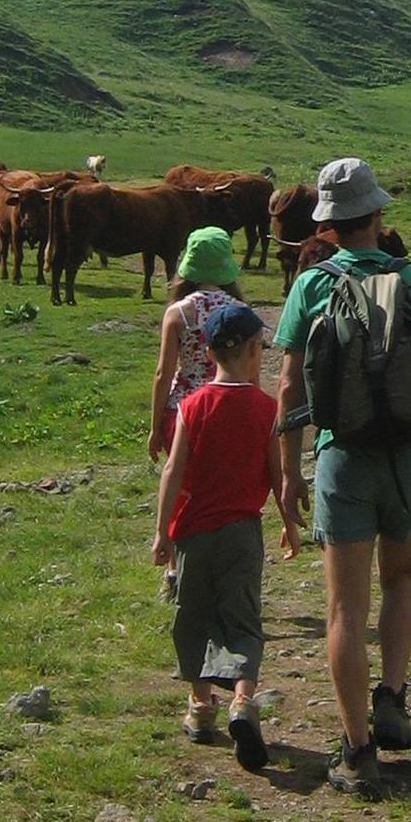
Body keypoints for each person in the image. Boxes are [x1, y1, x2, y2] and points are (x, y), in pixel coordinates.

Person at [273, 157, 411, 795]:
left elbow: (287, 386)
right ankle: (393, 695)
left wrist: (289, 474)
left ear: (328, 225)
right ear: (378, 214)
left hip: (344, 454)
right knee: (403, 576)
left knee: (343, 608)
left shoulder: (310, 285)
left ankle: (356, 749)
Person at [151, 302, 300, 773]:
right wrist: (289, 522)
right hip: (242, 531)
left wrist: (161, 533)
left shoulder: (193, 406)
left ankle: (200, 707)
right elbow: (277, 474)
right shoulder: (265, 409)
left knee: (193, 615)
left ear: (210, 352)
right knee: (242, 617)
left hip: (193, 533)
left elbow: (173, 472)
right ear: (255, 351)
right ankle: (242, 699)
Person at [149, 227, 246, 600]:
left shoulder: (179, 313)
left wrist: (155, 425)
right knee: (222, 489)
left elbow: (163, 373)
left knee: (181, 487)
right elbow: (250, 374)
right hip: (229, 409)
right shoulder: (240, 312)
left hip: (184, 408)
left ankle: (176, 568)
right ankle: (223, 567)